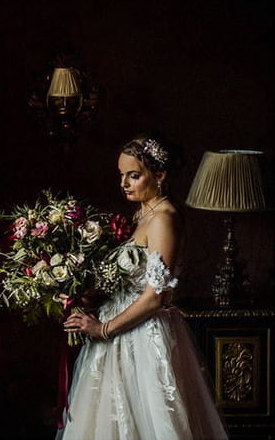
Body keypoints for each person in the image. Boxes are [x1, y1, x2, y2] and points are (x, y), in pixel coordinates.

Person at [56, 134, 229, 440]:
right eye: (122, 175)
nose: (124, 183)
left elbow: (155, 296)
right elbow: (127, 280)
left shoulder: (164, 218)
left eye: (134, 176)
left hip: (141, 335)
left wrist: (103, 329)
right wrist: (83, 294)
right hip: (122, 334)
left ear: (159, 175)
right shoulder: (143, 214)